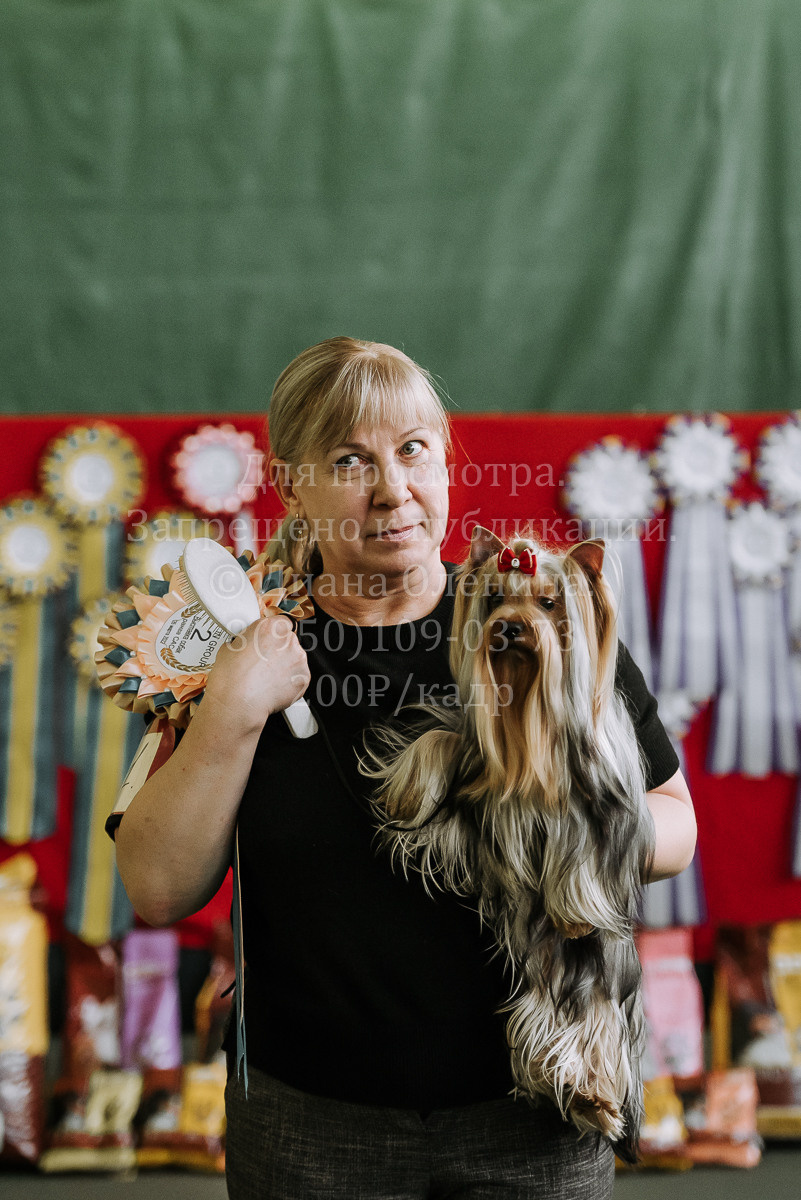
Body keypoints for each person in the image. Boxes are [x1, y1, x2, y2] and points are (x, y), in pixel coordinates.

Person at [111, 336, 697, 1199]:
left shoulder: (538, 623)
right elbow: (158, 888)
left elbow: (676, 830)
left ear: (446, 460)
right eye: (351, 460)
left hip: (536, 1113)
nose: (393, 489)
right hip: (310, 1122)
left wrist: (569, 820)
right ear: (291, 485)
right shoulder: (235, 643)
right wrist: (231, 710)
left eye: (414, 450)